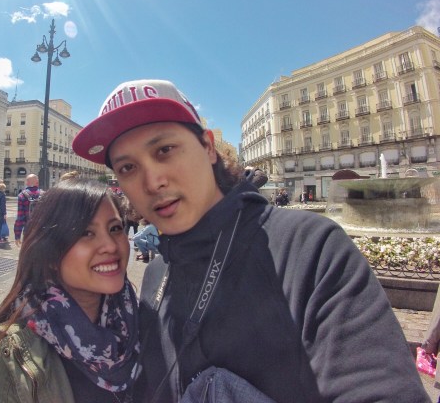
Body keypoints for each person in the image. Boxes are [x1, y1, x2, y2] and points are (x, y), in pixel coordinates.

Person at [72, 79, 427, 402]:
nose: (152, 182)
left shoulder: (309, 249)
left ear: (208, 147)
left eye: (164, 150)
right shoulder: (156, 272)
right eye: (128, 167)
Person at [0, 177, 140, 402]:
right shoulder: (6, 358)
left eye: (115, 228)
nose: (110, 245)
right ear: (50, 254)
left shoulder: (142, 314)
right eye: (86, 233)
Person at [13, 174, 42, 246]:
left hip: (28, 230)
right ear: (37, 182)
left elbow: (20, 217)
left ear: (27, 183)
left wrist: (17, 235)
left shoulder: (22, 195)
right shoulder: (45, 194)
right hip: (42, 231)